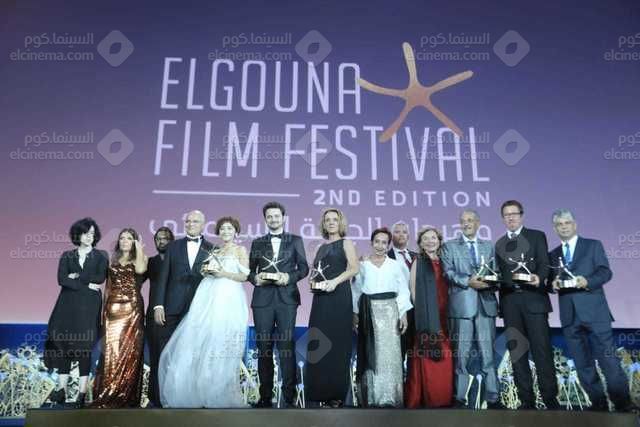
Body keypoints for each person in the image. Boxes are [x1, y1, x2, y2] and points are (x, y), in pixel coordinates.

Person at [159, 217, 250, 407]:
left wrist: (222, 274)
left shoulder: (240, 250)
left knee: (222, 343)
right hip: (208, 297)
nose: (226, 232)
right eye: (222, 229)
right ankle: (202, 391)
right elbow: (205, 270)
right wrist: (206, 271)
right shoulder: (215, 250)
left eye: (229, 228)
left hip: (228, 298)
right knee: (204, 343)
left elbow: (244, 276)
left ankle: (219, 392)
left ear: (236, 231)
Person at [549, 209, 632, 412]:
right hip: (569, 316)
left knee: (608, 360)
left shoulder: (593, 245)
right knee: (582, 364)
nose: (564, 227)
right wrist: (553, 285)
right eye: (559, 224)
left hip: (596, 313)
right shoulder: (554, 254)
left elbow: (605, 272)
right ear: (555, 229)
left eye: (567, 223)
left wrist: (588, 281)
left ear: (575, 225)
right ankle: (598, 404)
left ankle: (622, 404)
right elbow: (550, 283)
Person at [494, 200, 558, 410]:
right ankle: (526, 400)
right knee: (518, 353)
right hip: (510, 303)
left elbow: (544, 263)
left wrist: (539, 277)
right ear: (503, 218)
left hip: (534, 299)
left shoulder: (537, 236)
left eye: (514, 214)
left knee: (542, 351)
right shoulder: (499, 244)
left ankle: (550, 399)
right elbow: (500, 274)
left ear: (521, 215)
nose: (511, 218)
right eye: (507, 215)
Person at [248, 202, 309, 408]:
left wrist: (288, 277)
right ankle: (265, 397)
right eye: (269, 216)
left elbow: (303, 268)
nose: (273, 219)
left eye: (276, 216)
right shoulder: (257, 242)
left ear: (283, 218)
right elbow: (250, 271)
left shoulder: (295, 240)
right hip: (262, 300)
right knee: (264, 348)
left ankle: (289, 398)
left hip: (287, 299)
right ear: (265, 219)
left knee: (286, 347)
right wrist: (256, 278)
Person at [151, 210, 215, 406]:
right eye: (188, 221)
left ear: (203, 224)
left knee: (193, 355)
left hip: (197, 309)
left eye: (195, 221)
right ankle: (163, 399)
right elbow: (163, 277)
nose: (190, 224)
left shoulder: (212, 249)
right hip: (171, 308)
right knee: (166, 353)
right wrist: (158, 304)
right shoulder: (173, 246)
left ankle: (190, 397)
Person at [44, 218, 108, 408]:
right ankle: (61, 390)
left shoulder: (101, 255)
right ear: (77, 235)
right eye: (85, 233)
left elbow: (100, 277)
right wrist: (86, 284)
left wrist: (76, 277)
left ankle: (81, 392)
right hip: (67, 306)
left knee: (84, 347)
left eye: (92, 233)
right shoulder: (67, 255)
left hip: (89, 307)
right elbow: (61, 279)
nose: (89, 237)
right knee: (64, 345)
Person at [441, 210, 500, 408]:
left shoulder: (488, 246)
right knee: (461, 355)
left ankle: (493, 397)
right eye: (463, 221)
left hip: (485, 306)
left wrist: (490, 282)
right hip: (462, 308)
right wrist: (468, 281)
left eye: (470, 220)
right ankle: (460, 397)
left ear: (478, 223)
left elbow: (495, 272)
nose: (466, 224)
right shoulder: (449, 246)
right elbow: (448, 272)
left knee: (488, 354)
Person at [352, 227, 411, 407]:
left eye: (384, 242)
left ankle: (391, 398)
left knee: (390, 355)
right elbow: (356, 290)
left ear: (388, 245)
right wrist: (355, 313)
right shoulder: (362, 265)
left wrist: (403, 314)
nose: (380, 245)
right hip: (368, 312)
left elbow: (403, 290)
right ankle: (372, 397)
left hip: (390, 312)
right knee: (371, 354)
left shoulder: (395, 265)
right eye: (377, 241)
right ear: (371, 243)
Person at [306, 208, 359, 407]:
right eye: (327, 220)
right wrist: (313, 283)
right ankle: (319, 393)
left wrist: (335, 282)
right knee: (319, 343)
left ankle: (336, 395)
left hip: (339, 297)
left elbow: (354, 268)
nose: (330, 222)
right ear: (323, 224)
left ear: (340, 222)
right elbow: (316, 272)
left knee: (337, 344)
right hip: (321, 299)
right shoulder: (320, 248)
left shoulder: (346, 243)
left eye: (334, 219)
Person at [92, 228, 148, 408]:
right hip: (113, 308)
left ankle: (125, 394)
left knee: (130, 351)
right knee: (111, 350)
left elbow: (140, 269)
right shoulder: (113, 260)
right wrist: (104, 311)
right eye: (122, 238)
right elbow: (107, 287)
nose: (124, 241)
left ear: (134, 241)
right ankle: (108, 391)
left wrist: (139, 248)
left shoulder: (141, 258)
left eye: (129, 238)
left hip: (132, 308)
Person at [404, 227, 453, 408]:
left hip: (446, 314)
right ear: (420, 243)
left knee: (447, 355)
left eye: (433, 238)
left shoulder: (446, 261)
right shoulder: (418, 261)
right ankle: (428, 397)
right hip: (427, 317)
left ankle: (443, 397)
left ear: (439, 241)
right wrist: (422, 313)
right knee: (427, 354)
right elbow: (413, 290)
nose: (430, 241)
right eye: (426, 238)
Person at [144, 226, 174, 408]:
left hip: (174, 315)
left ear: (172, 241)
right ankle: (155, 397)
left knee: (172, 358)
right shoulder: (151, 262)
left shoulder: (178, 262)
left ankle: (171, 395)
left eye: (165, 238)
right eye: (158, 239)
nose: (161, 241)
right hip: (153, 316)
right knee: (155, 357)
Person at [387, 221, 417, 364]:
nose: (401, 235)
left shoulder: (417, 257)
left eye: (404, 232)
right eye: (397, 232)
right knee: (398, 349)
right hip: (397, 309)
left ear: (408, 236)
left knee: (416, 350)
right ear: (391, 236)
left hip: (417, 309)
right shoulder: (385, 257)